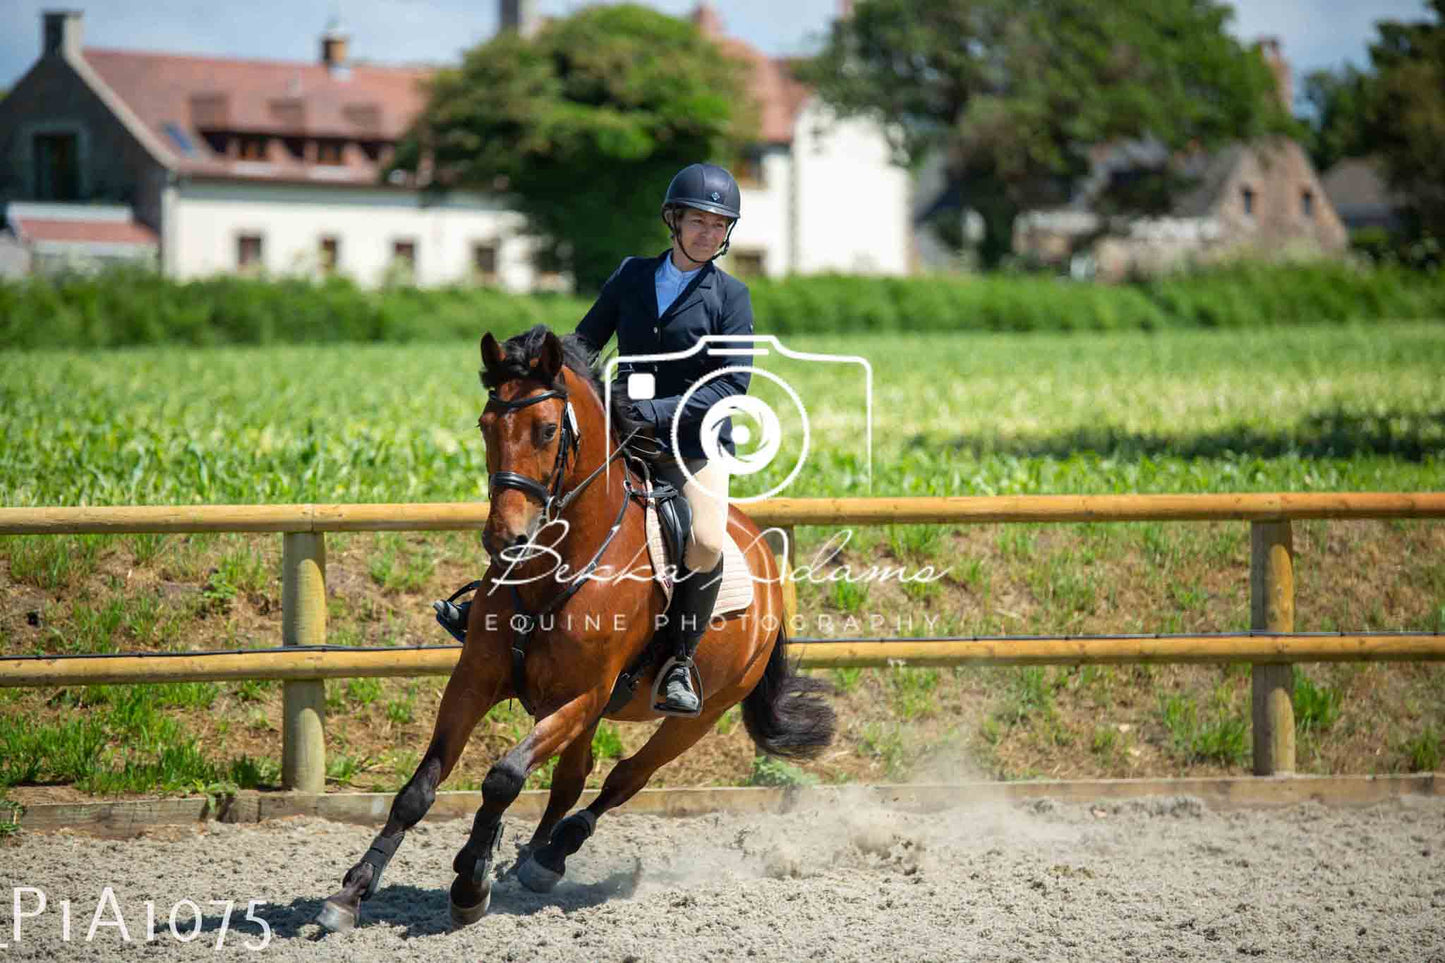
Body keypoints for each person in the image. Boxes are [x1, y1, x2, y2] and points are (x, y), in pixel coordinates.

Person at [572, 162, 753, 715]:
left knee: (702, 539)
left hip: (693, 443)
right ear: (673, 221)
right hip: (623, 436)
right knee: (545, 495)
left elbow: (731, 383)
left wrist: (649, 408)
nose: (708, 233)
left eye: (719, 225)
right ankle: (497, 612)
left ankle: (679, 660)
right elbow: (585, 341)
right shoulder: (631, 276)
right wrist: (542, 366)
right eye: (698, 220)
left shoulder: (730, 295)